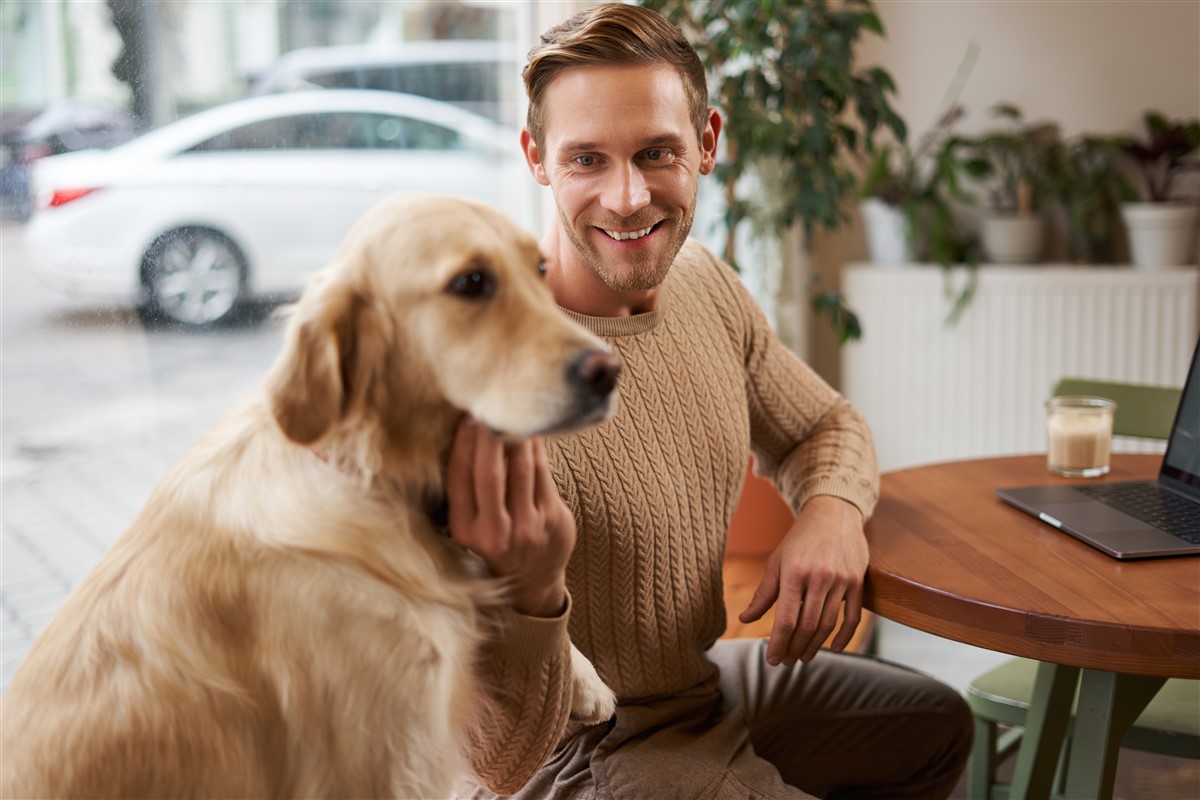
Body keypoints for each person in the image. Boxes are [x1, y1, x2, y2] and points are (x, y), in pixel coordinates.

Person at [448, 4, 973, 798]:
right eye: (586, 158)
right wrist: (531, 593)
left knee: (933, 725)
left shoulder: (702, 284)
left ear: (707, 143)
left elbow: (826, 426)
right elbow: (493, 751)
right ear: (537, 158)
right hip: (575, 750)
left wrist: (831, 514)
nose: (627, 198)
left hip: (695, 690)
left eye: (657, 152)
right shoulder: (485, 374)